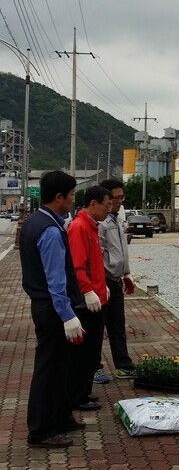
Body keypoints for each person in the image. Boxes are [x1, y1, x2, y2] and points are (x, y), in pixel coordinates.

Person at [19, 170, 85, 448]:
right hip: (52, 307)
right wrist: (67, 315)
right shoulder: (48, 230)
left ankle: (60, 416)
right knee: (48, 367)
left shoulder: (37, 222)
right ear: (58, 197)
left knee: (60, 365)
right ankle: (41, 429)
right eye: (70, 196)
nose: (72, 202)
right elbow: (55, 279)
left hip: (46, 305)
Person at [66, 186, 113, 413]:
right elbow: (78, 265)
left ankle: (83, 391)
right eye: (107, 205)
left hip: (98, 298)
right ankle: (77, 395)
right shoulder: (79, 227)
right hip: (88, 303)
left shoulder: (92, 227)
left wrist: (101, 286)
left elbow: (94, 264)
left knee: (93, 350)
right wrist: (87, 290)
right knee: (84, 353)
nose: (109, 209)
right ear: (93, 204)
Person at [97, 178, 136, 381]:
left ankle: (123, 364)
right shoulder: (100, 223)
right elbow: (97, 254)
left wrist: (126, 274)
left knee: (117, 324)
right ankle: (94, 367)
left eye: (122, 197)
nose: (120, 201)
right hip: (102, 281)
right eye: (116, 197)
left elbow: (122, 250)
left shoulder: (116, 219)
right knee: (97, 326)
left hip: (116, 280)